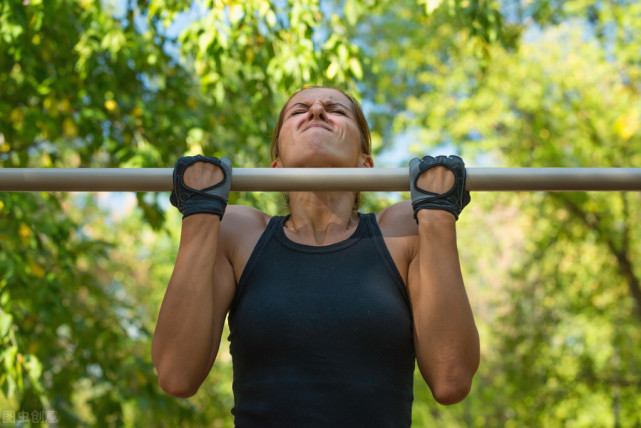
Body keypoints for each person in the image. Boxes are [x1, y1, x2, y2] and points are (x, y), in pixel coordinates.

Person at [152, 86, 480, 427]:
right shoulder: (238, 232)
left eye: (336, 109)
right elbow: (176, 376)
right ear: (276, 166)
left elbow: (451, 379)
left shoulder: (403, 229)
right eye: (298, 111)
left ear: (364, 164)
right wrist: (200, 213)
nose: (317, 111)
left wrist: (438, 215)